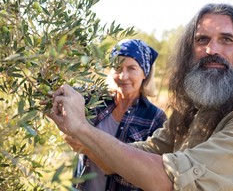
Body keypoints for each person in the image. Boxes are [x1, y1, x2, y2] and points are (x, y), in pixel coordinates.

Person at [47, 3, 233, 191]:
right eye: (202, 40)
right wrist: (86, 141)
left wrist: (84, 131)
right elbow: (144, 152)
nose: (212, 50)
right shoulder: (196, 110)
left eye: (226, 40)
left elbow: (167, 179)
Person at [67, 39, 167, 191]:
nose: (123, 76)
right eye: (118, 68)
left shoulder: (155, 118)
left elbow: (144, 179)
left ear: (144, 73)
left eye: (131, 68)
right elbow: (59, 95)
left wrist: (88, 149)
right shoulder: (95, 100)